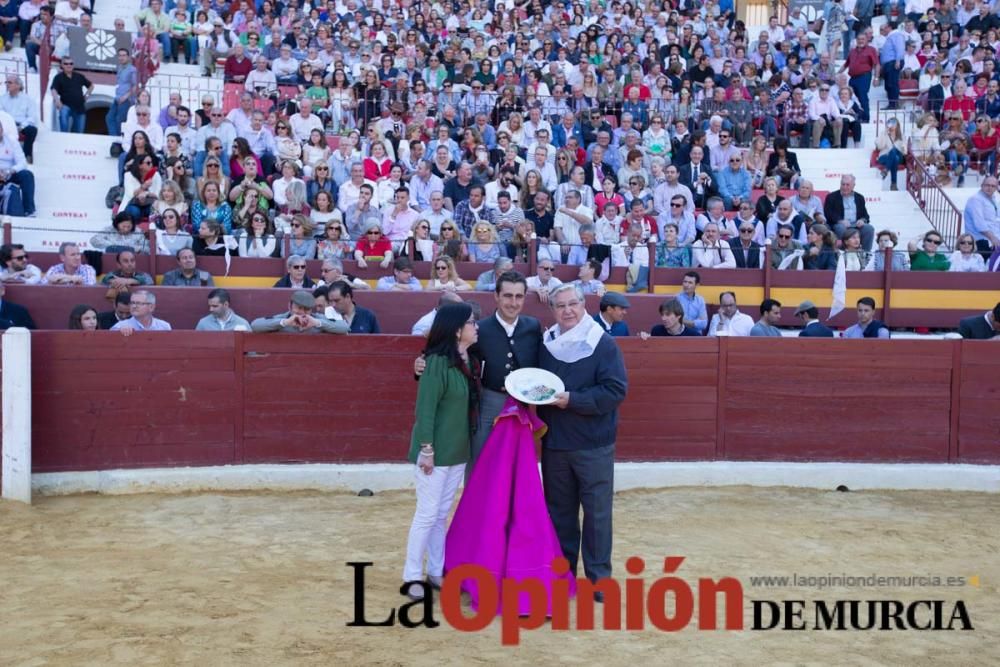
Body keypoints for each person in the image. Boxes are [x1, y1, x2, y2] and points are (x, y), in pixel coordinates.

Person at [538, 283, 627, 598]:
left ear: (584, 304)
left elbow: (615, 391)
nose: (567, 311)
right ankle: (563, 578)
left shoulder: (602, 344)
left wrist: (571, 400)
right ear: (552, 310)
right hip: (557, 444)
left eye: (573, 304)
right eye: (560, 306)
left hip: (593, 445)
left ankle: (599, 579)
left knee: (597, 514)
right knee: (559, 514)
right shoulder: (547, 343)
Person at [403, 302, 479, 600]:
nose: (476, 327)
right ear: (457, 329)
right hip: (434, 451)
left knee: (440, 514)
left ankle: (435, 571)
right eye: (472, 322)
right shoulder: (435, 363)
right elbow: (426, 410)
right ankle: (411, 576)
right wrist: (426, 448)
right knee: (427, 514)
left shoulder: (468, 361)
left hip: (457, 450)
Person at [250, 290, 349, 334]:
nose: (302, 312)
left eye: (306, 309)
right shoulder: (283, 318)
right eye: (298, 308)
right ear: (289, 306)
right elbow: (255, 325)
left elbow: (344, 327)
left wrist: (317, 323)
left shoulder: (317, 319)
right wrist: (285, 322)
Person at [824, 175, 873, 251]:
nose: (845, 187)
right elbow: (828, 213)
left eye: (847, 185)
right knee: (840, 227)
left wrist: (862, 220)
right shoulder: (831, 196)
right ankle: (843, 253)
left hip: (856, 225)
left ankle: (865, 254)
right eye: (843, 184)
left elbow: (865, 215)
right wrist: (840, 221)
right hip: (840, 224)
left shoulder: (859, 197)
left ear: (853, 186)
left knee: (869, 228)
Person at [0, 121, 36, 216]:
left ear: (2, 130)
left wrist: (10, 171)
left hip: (9, 174)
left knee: (27, 175)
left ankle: (29, 210)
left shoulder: (11, 141)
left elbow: (23, 163)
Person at [49, 58, 93, 133]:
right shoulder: (58, 77)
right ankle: (63, 137)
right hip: (66, 105)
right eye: (66, 63)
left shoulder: (79, 76)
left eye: (71, 63)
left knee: (79, 132)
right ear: (62, 65)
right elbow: (53, 89)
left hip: (80, 107)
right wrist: (57, 100)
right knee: (63, 118)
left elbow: (91, 85)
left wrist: (87, 95)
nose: (69, 65)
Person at [961, 177, 1000, 256]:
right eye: (987, 185)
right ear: (982, 185)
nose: (990, 188)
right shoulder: (975, 199)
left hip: (992, 241)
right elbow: (979, 224)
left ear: (996, 188)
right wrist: (993, 238)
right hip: (980, 242)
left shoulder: (992, 200)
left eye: (993, 186)